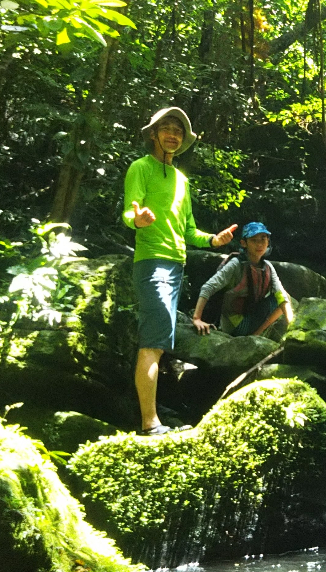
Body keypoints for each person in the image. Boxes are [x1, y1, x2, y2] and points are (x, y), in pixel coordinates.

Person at [123, 106, 236, 435]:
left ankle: (151, 420)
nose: (173, 134)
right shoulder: (140, 168)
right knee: (152, 342)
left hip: (175, 265)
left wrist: (214, 240)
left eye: (178, 130)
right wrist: (137, 219)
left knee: (157, 343)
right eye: (167, 128)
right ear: (154, 134)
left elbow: (188, 231)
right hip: (151, 261)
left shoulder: (182, 181)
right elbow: (129, 213)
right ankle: (149, 424)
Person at [191, 221, 289, 337]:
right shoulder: (236, 264)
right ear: (244, 243)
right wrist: (197, 318)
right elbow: (208, 287)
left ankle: (256, 335)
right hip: (235, 325)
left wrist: (291, 323)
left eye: (263, 239)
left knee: (282, 297)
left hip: (248, 318)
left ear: (268, 242)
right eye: (254, 240)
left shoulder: (267, 266)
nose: (259, 244)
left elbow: (281, 295)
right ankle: (255, 335)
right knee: (281, 298)